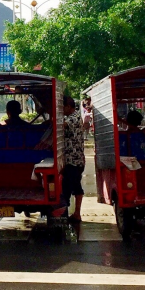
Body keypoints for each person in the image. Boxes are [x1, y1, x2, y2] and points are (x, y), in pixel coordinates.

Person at [61, 95, 91, 229]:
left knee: (69, 188)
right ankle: (75, 214)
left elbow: (61, 125)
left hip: (74, 160)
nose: (62, 110)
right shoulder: (74, 116)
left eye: (62, 107)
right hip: (75, 159)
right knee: (74, 186)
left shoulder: (74, 118)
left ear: (68, 106)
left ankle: (70, 214)